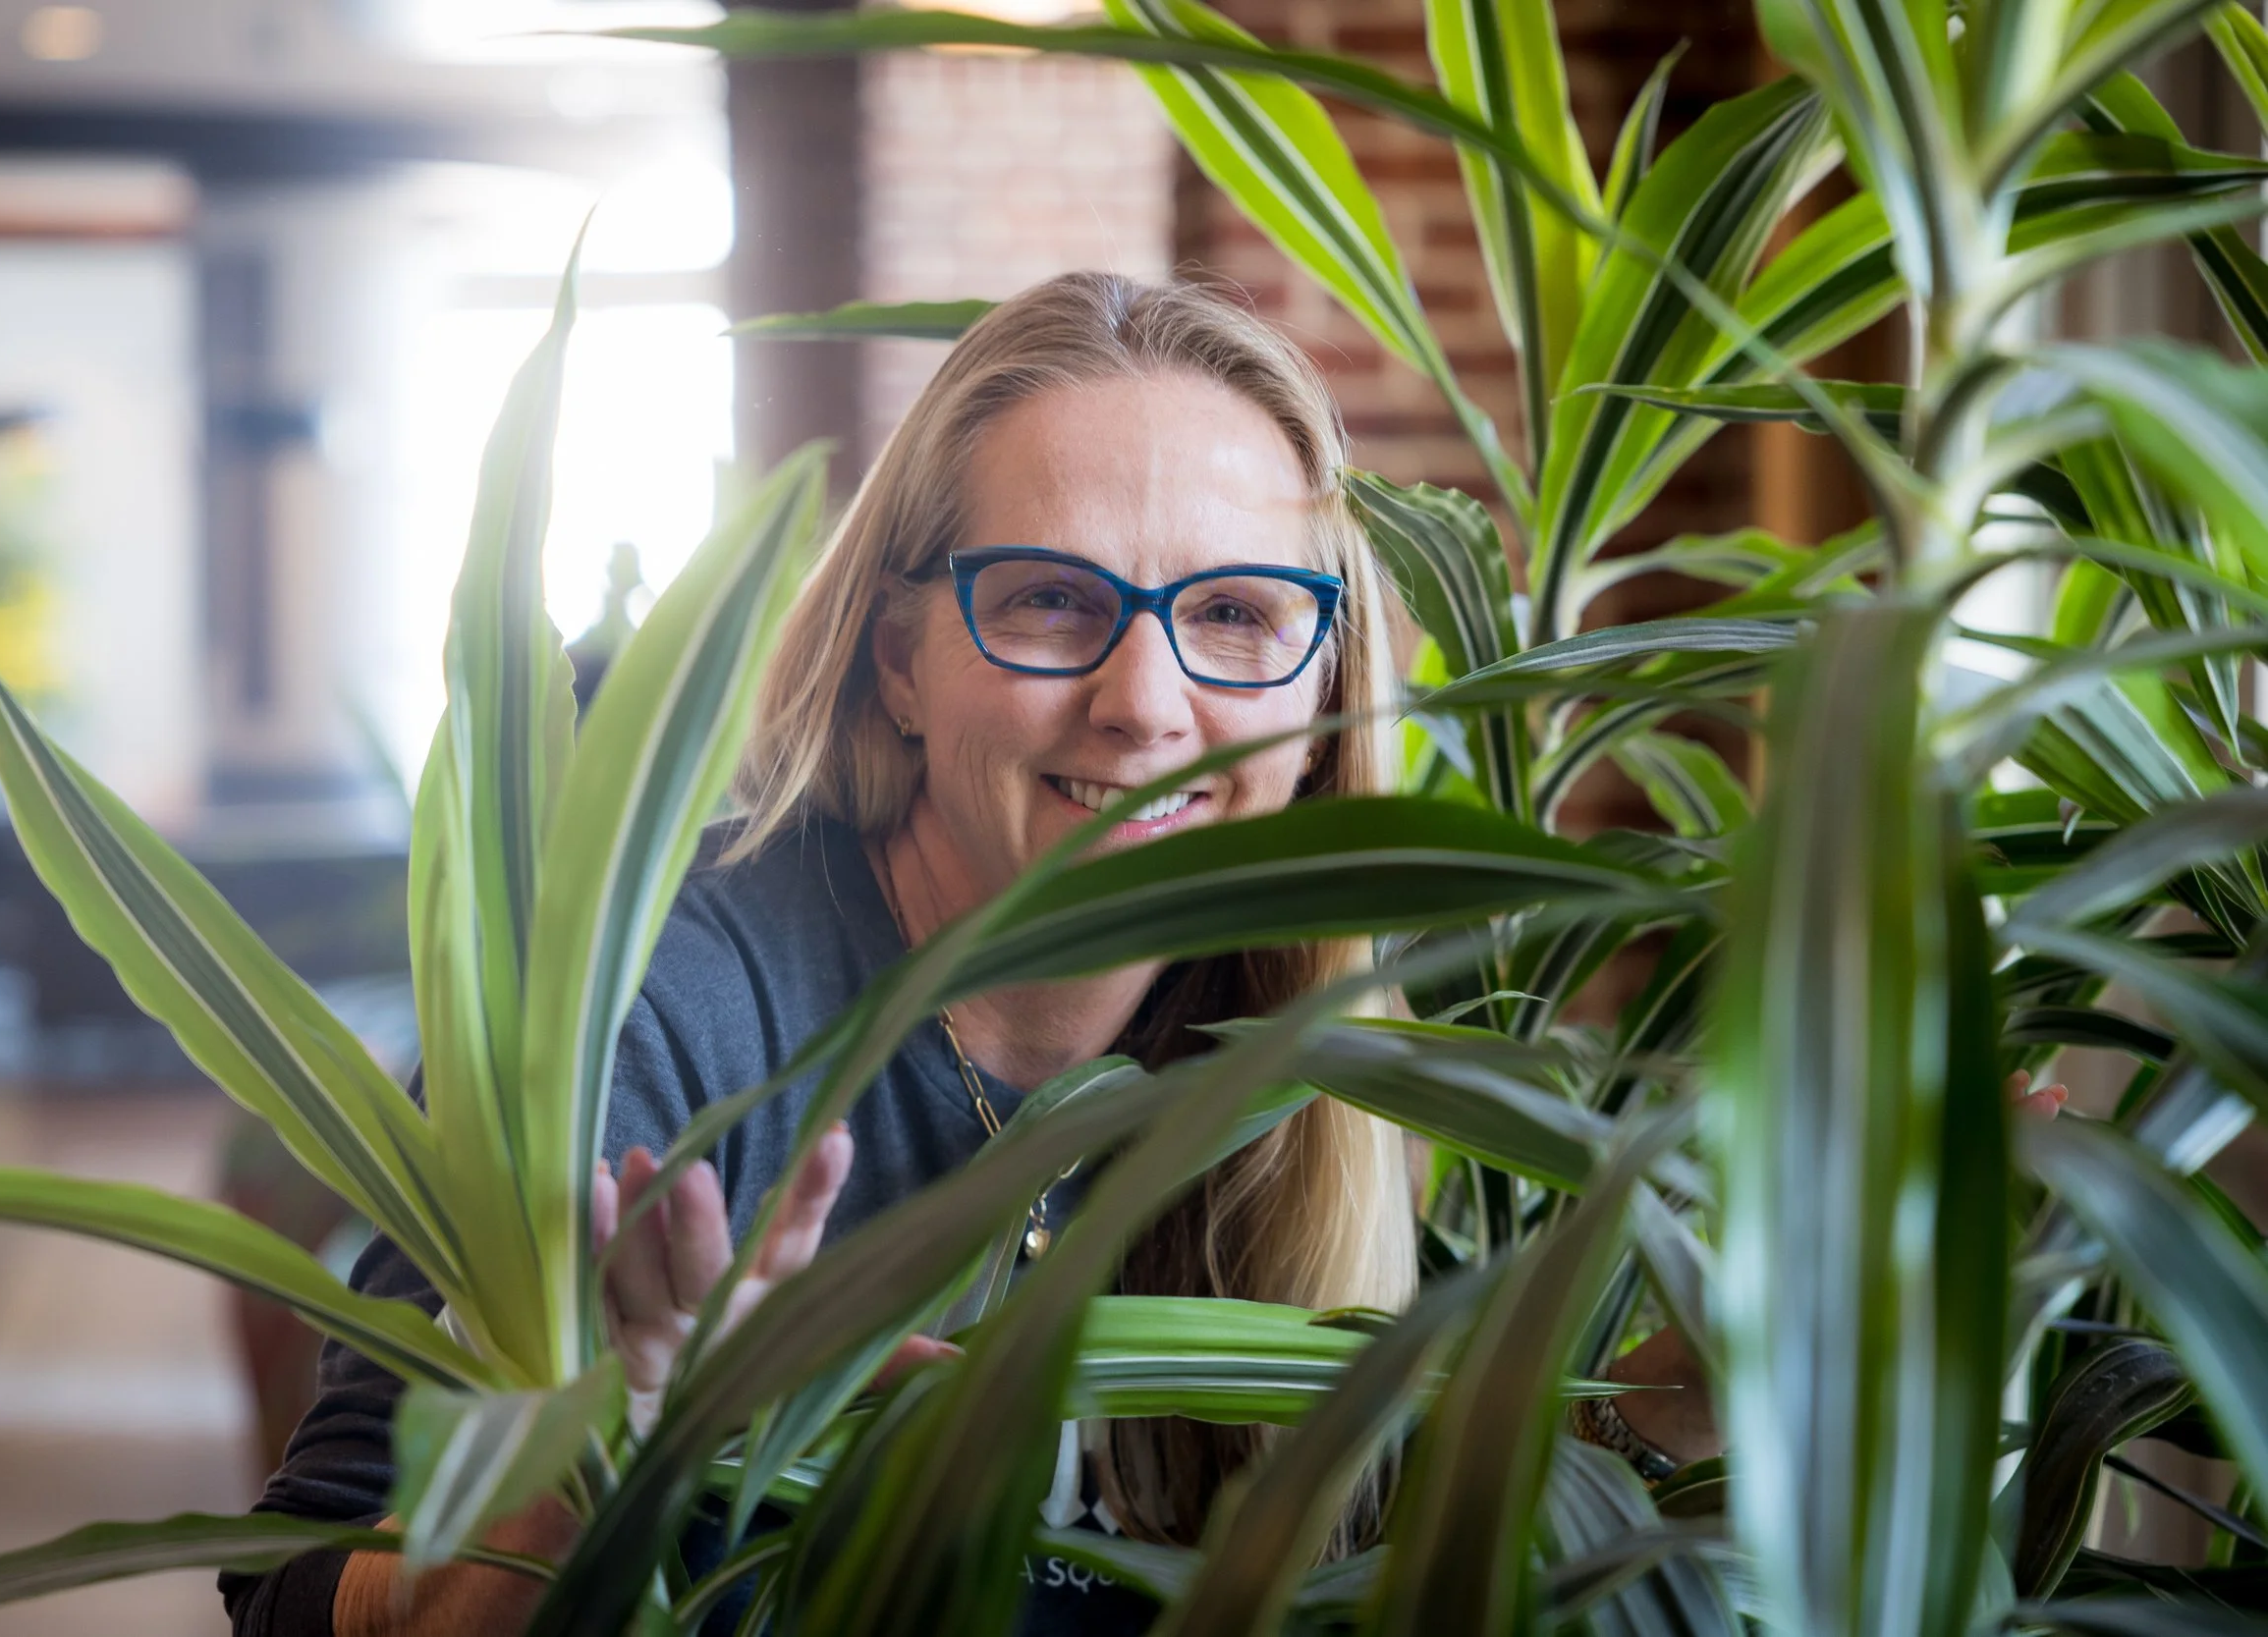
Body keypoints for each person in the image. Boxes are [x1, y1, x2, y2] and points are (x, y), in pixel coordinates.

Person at [223, 269, 1709, 1637]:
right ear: (900, 662)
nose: (1146, 703)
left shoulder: (1312, 1043)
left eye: (1236, 613)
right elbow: (300, 1600)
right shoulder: (648, 1018)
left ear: (1322, 687)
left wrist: (1671, 1409)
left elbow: (1386, 1545)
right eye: (1052, 599)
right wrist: (615, 1456)